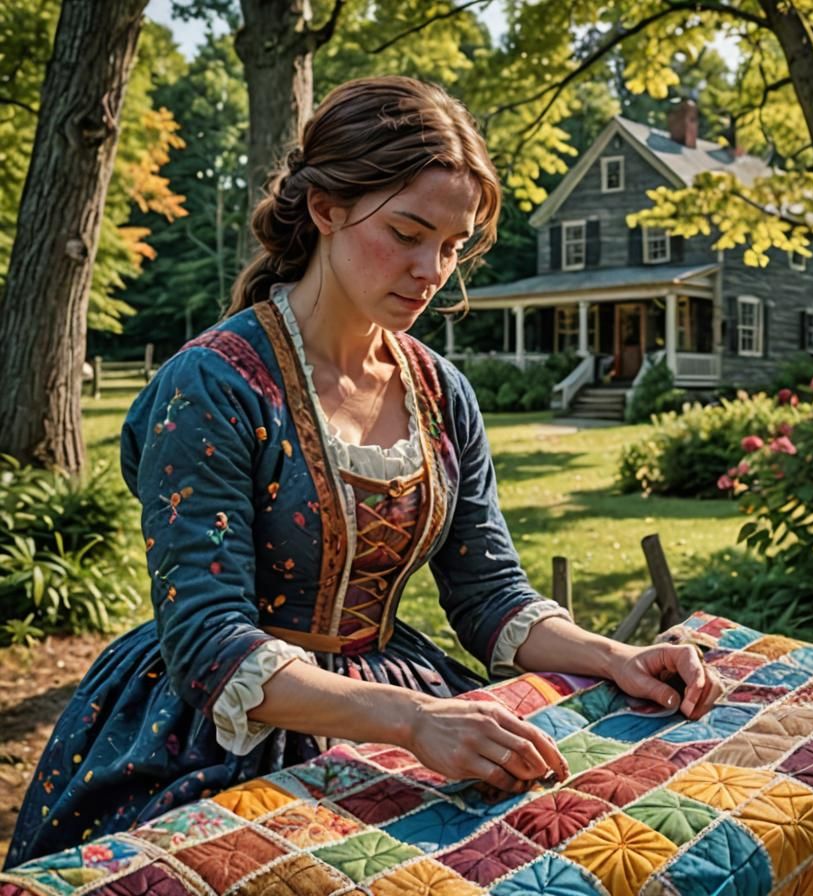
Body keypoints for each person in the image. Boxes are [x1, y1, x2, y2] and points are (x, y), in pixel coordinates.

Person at [5, 75, 722, 869]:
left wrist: (615, 656)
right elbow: (209, 642)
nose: (431, 270)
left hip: (404, 701)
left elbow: (489, 594)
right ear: (326, 209)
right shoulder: (213, 385)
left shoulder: (440, 392)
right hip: (217, 729)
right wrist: (411, 720)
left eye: (452, 247)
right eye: (409, 233)